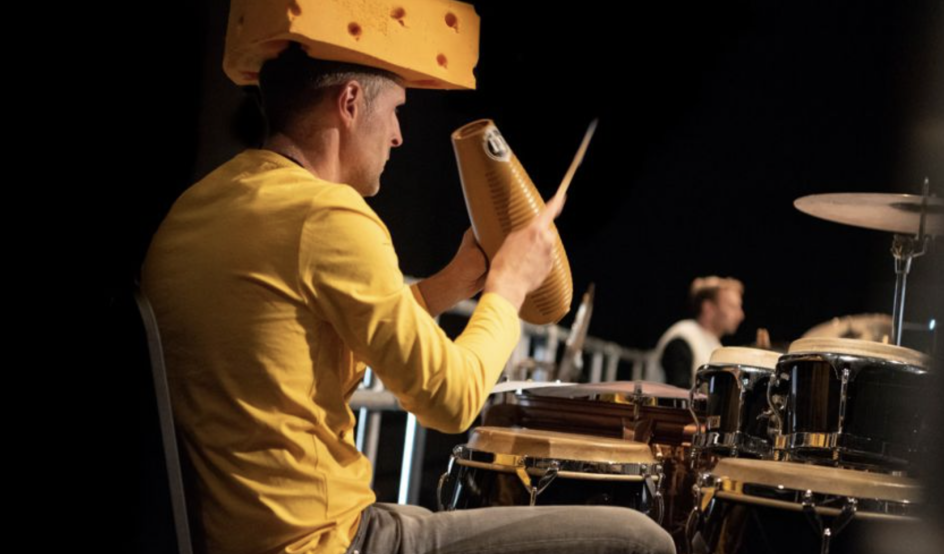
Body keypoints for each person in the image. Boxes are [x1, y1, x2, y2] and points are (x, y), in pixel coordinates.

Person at [141, 42, 674, 554]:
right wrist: (507, 286)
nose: (398, 136)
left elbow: (304, 344)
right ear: (350, 102)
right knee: (641, 539)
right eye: (396, 110)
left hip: (234, 535)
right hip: (328, 542)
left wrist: (453, 284)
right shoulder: (328, 216)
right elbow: (452, 400)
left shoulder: (197, 207)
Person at [647, 276, 745, 389]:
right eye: (732, 307)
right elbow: (677, 392)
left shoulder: (715, 345)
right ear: (708, 308)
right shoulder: (683, 338)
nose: (741, 315)